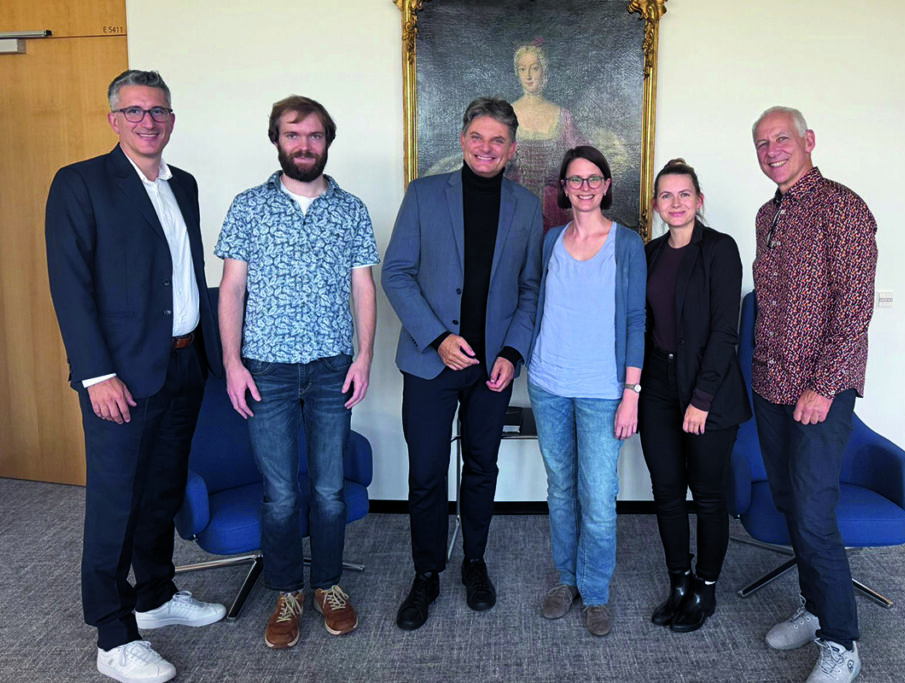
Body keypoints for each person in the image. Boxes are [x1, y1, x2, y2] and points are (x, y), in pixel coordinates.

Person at [45, 69, 225, 683]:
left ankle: (155, 596)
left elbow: (182, 273)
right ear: (114, 119)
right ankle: (114, 635)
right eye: (135, 111)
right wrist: (96, 374)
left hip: (184, 362)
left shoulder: (185, 184)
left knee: (162, 491)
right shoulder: (80, 183)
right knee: (116, 502)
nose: (148, 121)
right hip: (120, 374)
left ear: (171, 119)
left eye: (159, 111)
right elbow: (70, 287)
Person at [216, 95, 378, 649]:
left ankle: (328, 585)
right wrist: (232, 363)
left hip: (333, 366)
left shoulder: (351, 209)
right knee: (281, 494)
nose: (304, 145)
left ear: (327, 142)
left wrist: (364, 357)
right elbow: (232, 289)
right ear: (276, 140)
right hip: (267, 369)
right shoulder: (248, 207)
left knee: (330, 491)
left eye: (314, 135)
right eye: (293, 134)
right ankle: (286, 592)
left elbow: (363, 287)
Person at [382, 97, 543, 631]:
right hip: (431, 363)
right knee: (427, 474)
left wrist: (512, 353)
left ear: (512, 149)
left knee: (481, 468)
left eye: (498, 140)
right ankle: (426, 572)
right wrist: (437, 339)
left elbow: (530, 288)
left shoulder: (526, 207)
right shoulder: (423, 195)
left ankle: (475, 562)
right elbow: (397, 273)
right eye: (478, 137)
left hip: (492, 368)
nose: (486, 148)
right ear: (462, 140)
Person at [750, 106, 877, 683]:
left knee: (814, 512)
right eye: (762, 143)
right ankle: (815, 606)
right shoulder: (766, 214)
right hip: (771, 385)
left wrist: (823, 386)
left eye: (782, 138)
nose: (772, 150)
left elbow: (854, 308)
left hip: (818, 391)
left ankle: (842, 642)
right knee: (788, 502)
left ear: (808, 141)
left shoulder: (842, 207)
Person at [529, 145, 645, 637]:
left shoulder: (628, 243)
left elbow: (637, 319)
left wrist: (631, 391)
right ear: (564, 187)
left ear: (606, 185)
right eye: (575, 179)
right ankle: (567, 580)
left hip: (603, 389)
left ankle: (595, 592)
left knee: (598, 497)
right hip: (548, 383)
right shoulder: (551, 240)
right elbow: (537, 301)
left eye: (593, 178)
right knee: (560, 489)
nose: (584, 187)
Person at [638, 159, 751, 633]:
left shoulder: (720, 249)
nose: (676, 203)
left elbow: (726, 331)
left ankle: (705, 587)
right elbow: (641, 324)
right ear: (656, 205)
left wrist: (701, 399)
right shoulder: (649, 253)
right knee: (666, 490)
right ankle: (679, 582)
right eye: (666, 195)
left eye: (685, 194)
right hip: (658, 386)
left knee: (706, 494)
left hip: (710, 388)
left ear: (699, 200)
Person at [506, 41, 586, 231]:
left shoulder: (562, 116)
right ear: (517, 73)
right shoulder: (506, 114)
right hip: (513, 207)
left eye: (534, 68)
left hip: (554, 210)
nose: (528, 75)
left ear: (544, 70)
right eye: (523, 69)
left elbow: (582, 161)